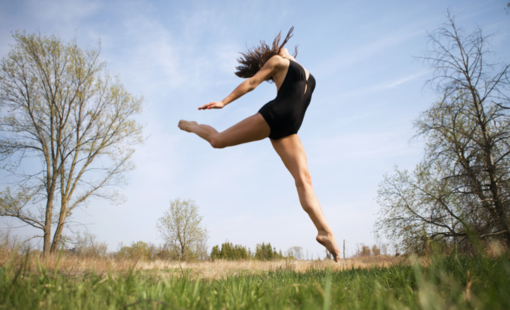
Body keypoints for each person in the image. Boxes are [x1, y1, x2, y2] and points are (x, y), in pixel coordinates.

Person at [178, 27, 341, 262]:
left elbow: (289, 61)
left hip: (289, 130)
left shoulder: (295, 66)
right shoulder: (279, 62)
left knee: (304, 181)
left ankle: (325, 232)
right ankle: (193, 125)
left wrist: (289, 56)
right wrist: (224, 102)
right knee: (217, 141)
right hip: (274, 116)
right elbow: (252, 83)